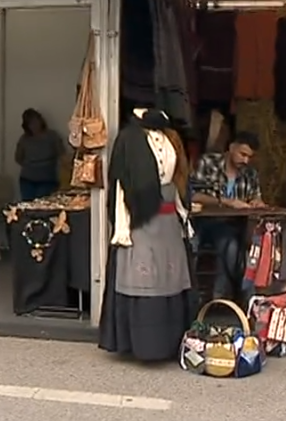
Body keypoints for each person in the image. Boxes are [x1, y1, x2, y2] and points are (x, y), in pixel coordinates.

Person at [98, 108, 195, 362]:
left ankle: (172, 344)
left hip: (169, 221)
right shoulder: (129, 140)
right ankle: (142, 346)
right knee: (143, 279)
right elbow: (121, 186)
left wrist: (184, 217)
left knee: (170, 278)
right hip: (140, 220)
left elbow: (179, 181)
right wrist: (122, 228)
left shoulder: (172, 138)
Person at [190, 131, 265, 299]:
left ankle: (223, 296)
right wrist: (226, 202)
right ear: (231, 148)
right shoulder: (208, 163)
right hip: (202, 223)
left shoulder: (250, 173)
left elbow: (256, 197)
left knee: (232, 247)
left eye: (249, 157)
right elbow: (194, 195)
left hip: (230, 225)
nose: (245, 160)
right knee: (191, 245)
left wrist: (256, 202)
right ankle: (193, 297)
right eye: (242, 154)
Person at [15, 108, 64, 201]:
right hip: (27, 180)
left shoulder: (52, 136)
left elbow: (62, 155)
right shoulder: (24, 139)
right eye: (31, 123)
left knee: (43, 207)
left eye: (36, 121)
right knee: (27, 207)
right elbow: (18, 158)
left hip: (47, 180)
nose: (34, 125)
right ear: (27, 126)